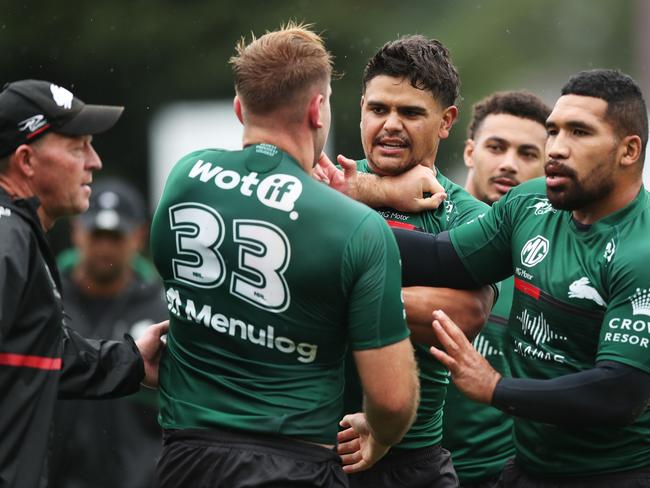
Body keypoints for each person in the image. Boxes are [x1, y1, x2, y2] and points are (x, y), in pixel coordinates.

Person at [149, 23, 419, 488]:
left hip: (185, 458)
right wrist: (380, 435)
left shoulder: (185, 177)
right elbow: (392, 400)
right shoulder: (356, 227)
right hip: (295, 463)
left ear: (240, 108)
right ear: (318, 109)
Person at [394, 69, 650, 487]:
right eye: (554, 132)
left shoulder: (642, 250)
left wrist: (495, 387)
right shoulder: (530, 204)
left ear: (628, 151)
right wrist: (340, 223)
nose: (558, 149)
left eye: (580, 133)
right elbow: (444, 259)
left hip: (613, 475)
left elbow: (620, 392)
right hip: (527, 470)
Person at [328, 35, 496, 488]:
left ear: (446, 122)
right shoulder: (324, 182)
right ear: (361, 107)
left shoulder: (467, 213)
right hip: (311, 453)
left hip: (411, 462)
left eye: (411, 113)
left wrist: (338, 296)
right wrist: (369, 190)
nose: (390, 125)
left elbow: (465, 314)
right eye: (379, 109)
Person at [0, 79, 168, 488]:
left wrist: (131, 361)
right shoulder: (8, 239)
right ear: (26, 161)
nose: (94, 161)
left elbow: (41, 353)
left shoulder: (19, 235)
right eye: (78, 147)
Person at [442, 91, 550, 488]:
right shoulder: (423, 233)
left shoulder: (552, 263)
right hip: (400, 467)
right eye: (496, 147)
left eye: (527, 153)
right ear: (470, 152)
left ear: (548, 165)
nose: (508, 164)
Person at [49, 178, 167, 488]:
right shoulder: (45, 299)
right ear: (76, 231)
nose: (104, 246)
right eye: (96, 234)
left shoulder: (163, 312)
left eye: (115, 236)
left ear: (139, 235)